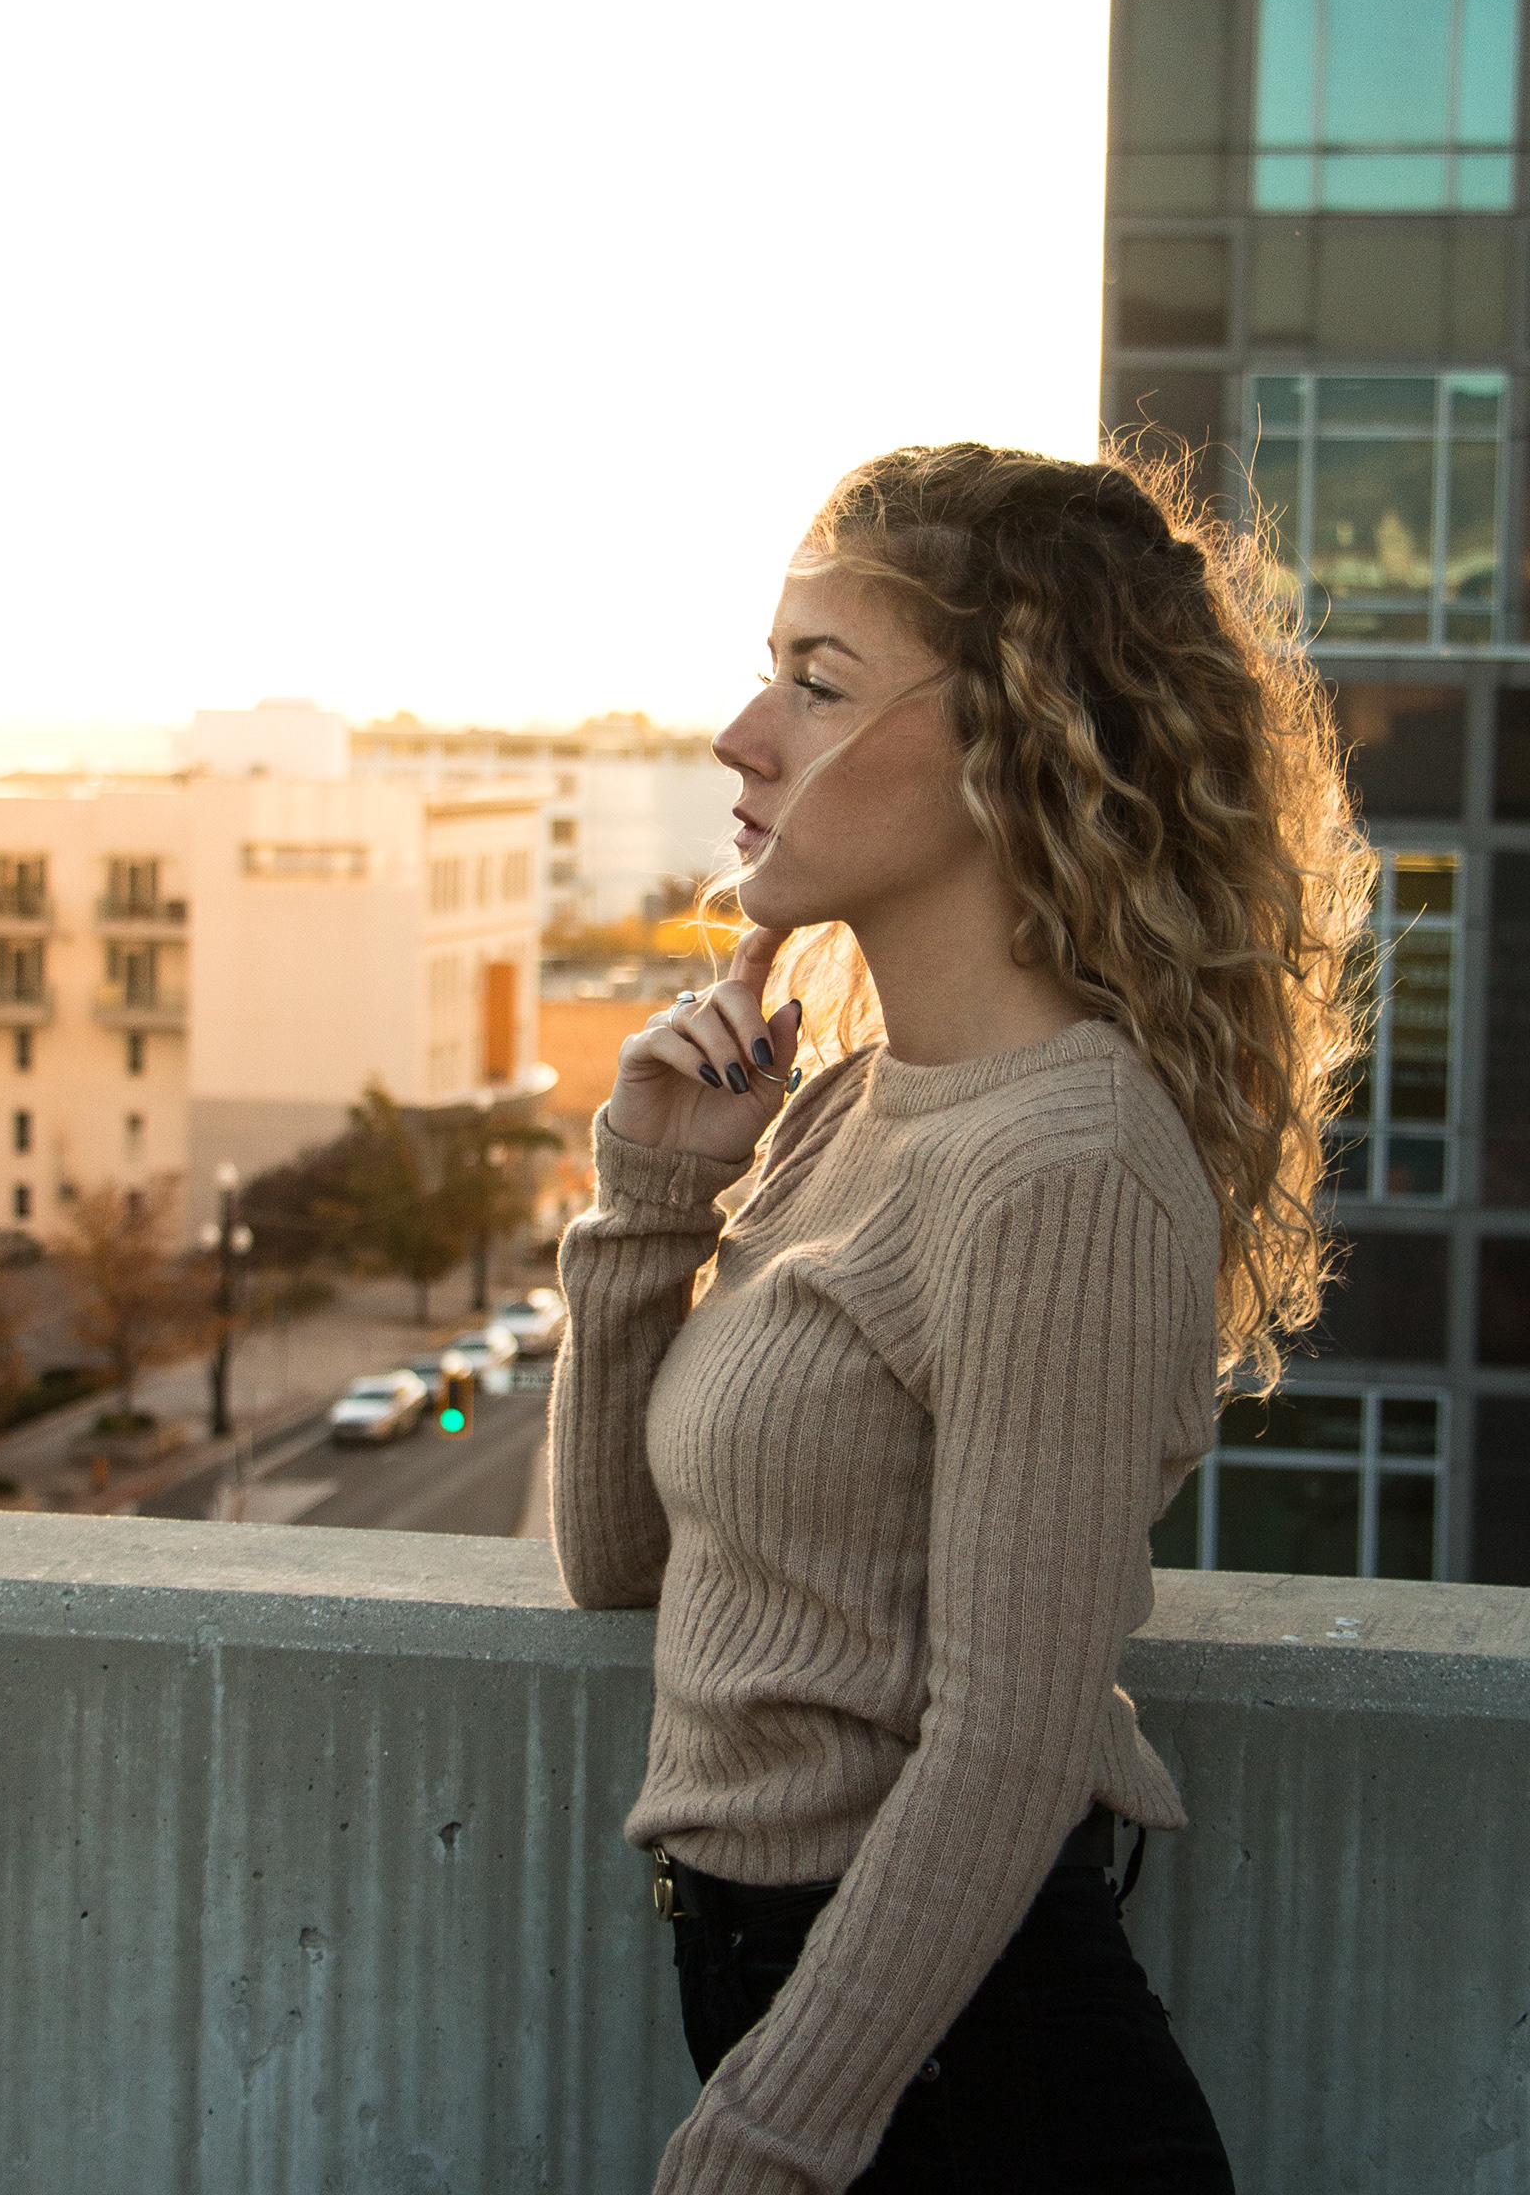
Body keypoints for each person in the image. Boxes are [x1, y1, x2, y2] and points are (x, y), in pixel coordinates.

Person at [548, 442, 1370, 2195]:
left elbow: (1004, 1738)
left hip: (979, 2086)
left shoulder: (1065, 1163)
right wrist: (650, 1199)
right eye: (770, 670)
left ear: (1020, 736)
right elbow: (628, 1570)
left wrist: (769, 2137)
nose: (742, 737)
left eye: (815, 682)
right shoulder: (852, 1107)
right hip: (818, 2018)